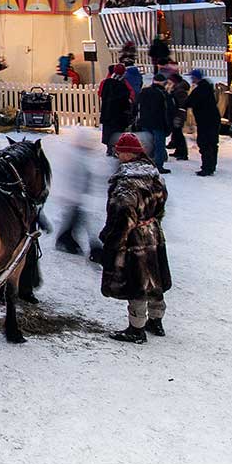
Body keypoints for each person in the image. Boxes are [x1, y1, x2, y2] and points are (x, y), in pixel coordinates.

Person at [99, 133, 172, 344]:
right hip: (154, 232)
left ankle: (136, 328)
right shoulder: (153, 173)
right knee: (154, 278)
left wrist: (112, 241)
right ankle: (156, 321)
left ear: (130, 153)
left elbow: (123, 216)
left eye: (120, 151)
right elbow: (161, 203)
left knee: (137, 281)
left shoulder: (126, 182)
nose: (117, 154)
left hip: (134, 238)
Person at [185, 69, 222, 176]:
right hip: (213, 119)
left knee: (205, 143)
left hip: (205, 121)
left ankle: (207, 167)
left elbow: (188, 102)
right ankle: (212, 166)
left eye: (192, 77)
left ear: (195, 78)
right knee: (213, 143)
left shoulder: (199, 90)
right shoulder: (208, 88)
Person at [134, 75, 173, 174]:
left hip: (145, 121)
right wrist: (169, 124)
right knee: (159, 144)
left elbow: (136, 105)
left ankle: (148, 163)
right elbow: (169, 110)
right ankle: (158, 165)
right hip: (158, 123)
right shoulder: (163, 94)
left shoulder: (144, 92)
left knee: (148, 144)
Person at [98, 64, 133, 155]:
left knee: (108, 130)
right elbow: (126, 98)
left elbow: (101, 94)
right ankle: (115, 148)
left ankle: (109, 148)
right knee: (117, 130)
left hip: (107, 111)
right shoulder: (122, 84)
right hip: (118, 113)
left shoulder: (106, 82)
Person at [165, 71, 191, 162]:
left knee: (178, 133)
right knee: (176, 133)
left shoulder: (179, 91)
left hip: (178, 115)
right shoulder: (176, 89)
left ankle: (183, 153)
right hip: (175, 114)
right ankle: (178, 150)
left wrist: (179, 116)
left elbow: (182, 105)